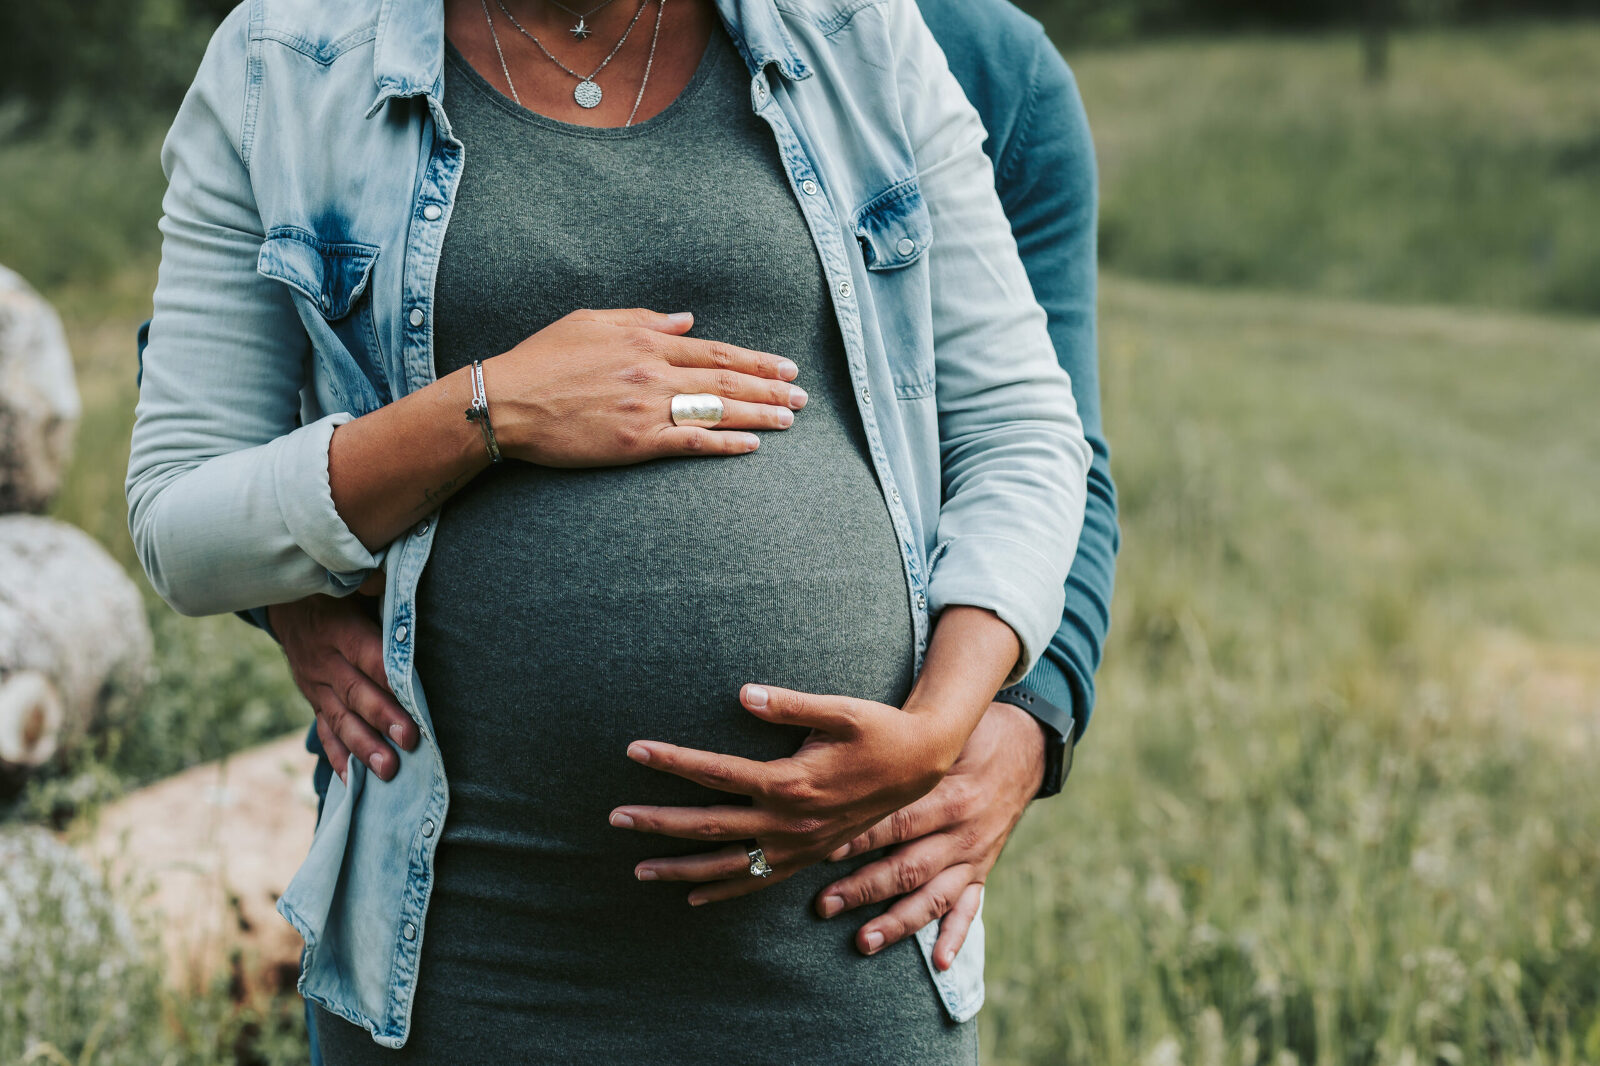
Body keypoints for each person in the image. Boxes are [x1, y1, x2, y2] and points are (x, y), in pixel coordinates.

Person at [126, 0, 1096, 1060]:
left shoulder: (860, 35)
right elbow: (184, 514)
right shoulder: (286, 59)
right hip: (471, 942)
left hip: (836, 939)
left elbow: (1024, 432)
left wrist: (946, 723)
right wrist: (487, 410)